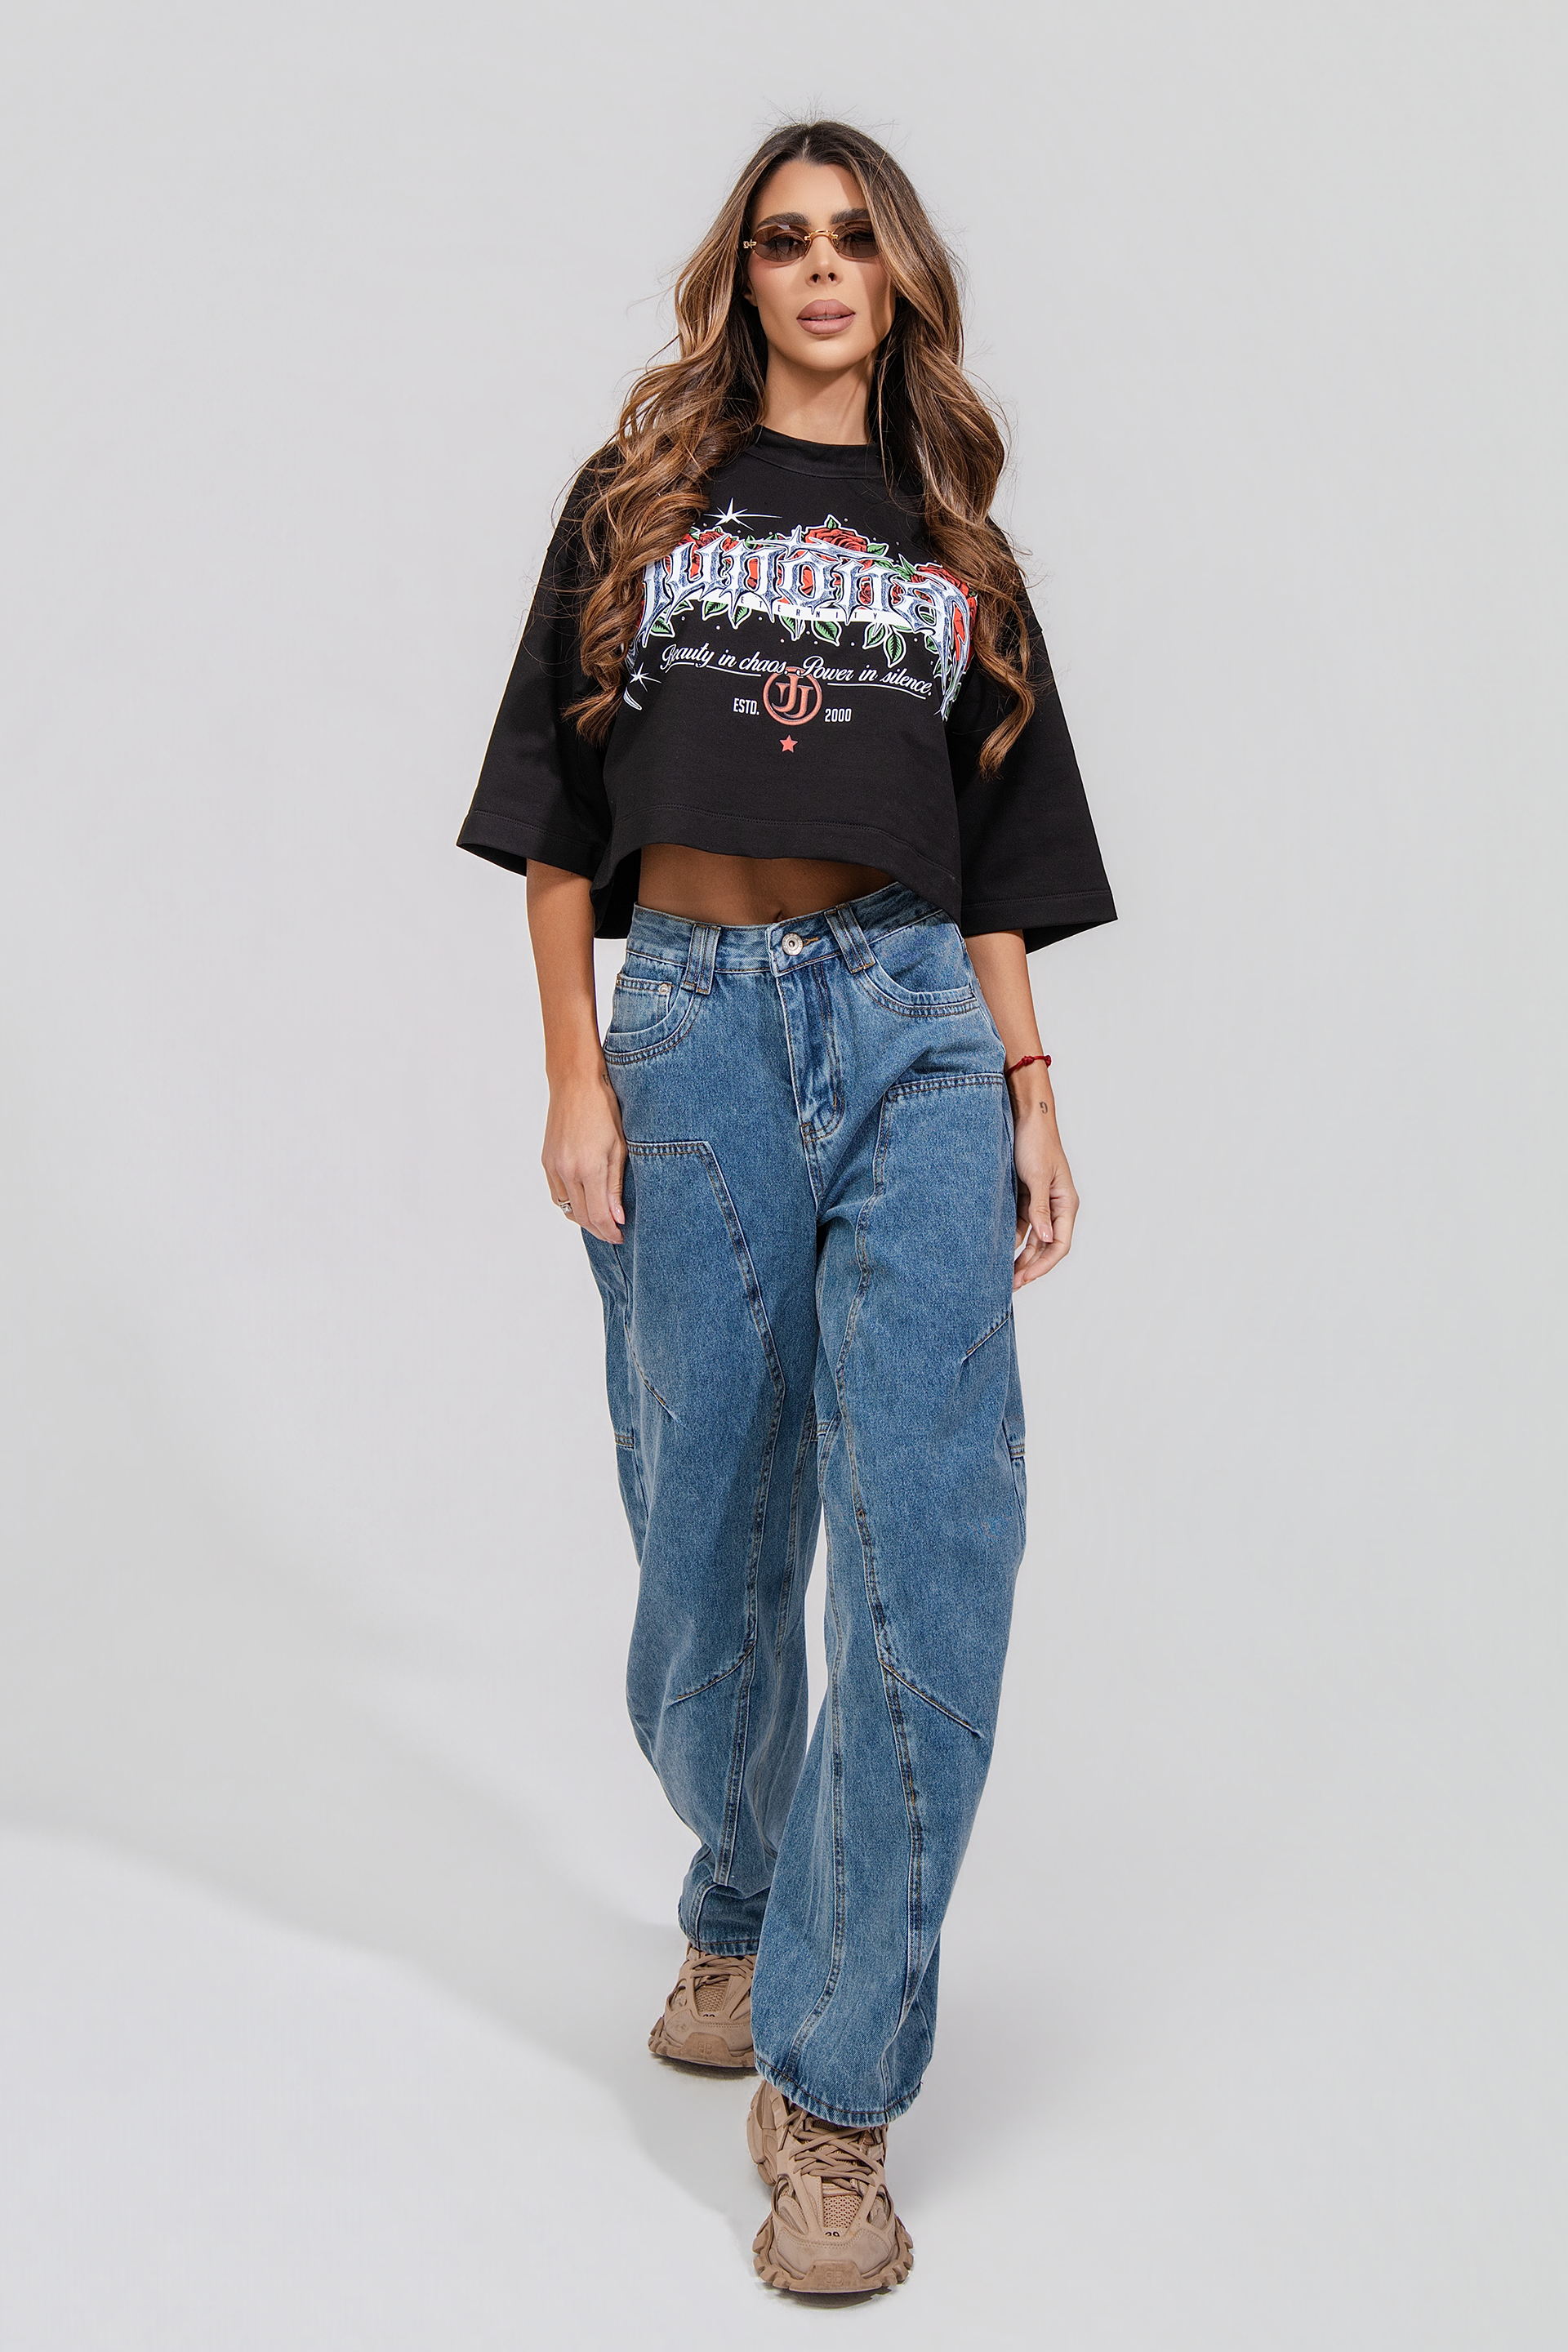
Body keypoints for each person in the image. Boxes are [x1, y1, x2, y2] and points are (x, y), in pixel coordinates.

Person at [458, 118, 1115, 2295]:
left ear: (901, 275)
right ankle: (741, 1886)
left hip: (917, 1028)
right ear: (739, 280)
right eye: (780, 242)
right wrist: (578, 1072)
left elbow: (1000, 867)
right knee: (707, 1540)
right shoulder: (639, 503)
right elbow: (558, 831)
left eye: (853, 240)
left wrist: (1031, 1092)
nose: (820, 271)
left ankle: (835, 2102)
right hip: (691, 1036)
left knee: (936, 1540)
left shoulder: (957, 545)